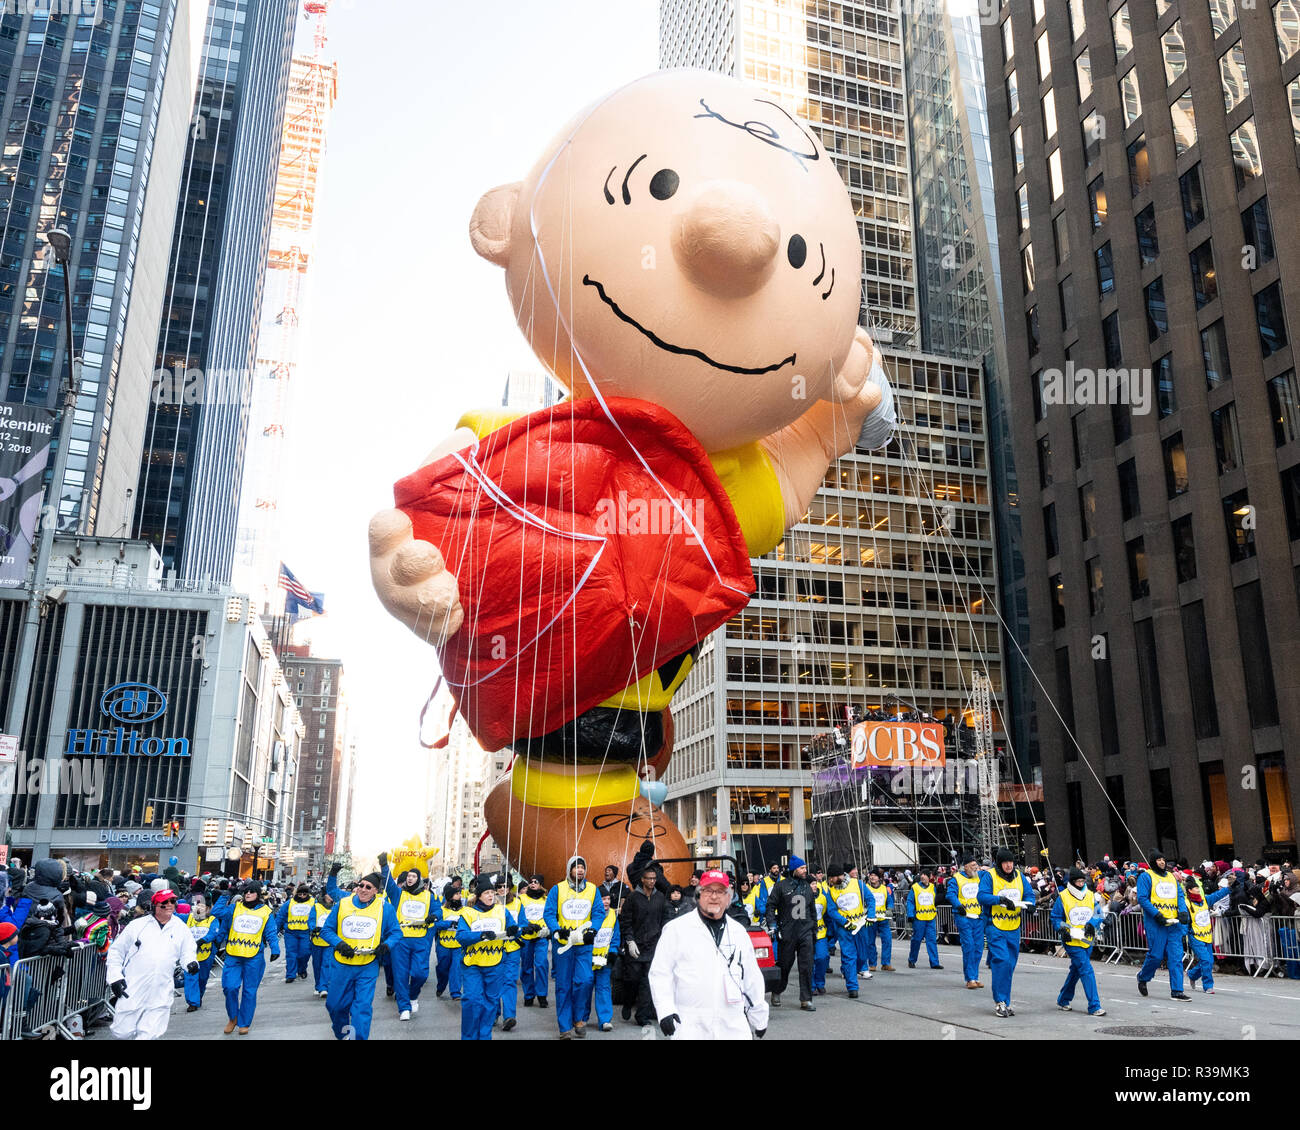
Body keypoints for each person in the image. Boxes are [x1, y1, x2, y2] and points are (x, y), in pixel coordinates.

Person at [649, 869, 769, 1040]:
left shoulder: (738, 932)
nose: (714, 897)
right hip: (691, 1023)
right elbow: (660, 973)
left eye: (720, 891)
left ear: (728, 898)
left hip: (732, 1024)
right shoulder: (676, 930)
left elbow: (751, 976)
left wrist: (758, 1016)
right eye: (708, 891)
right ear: (698, 896)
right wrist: (665, 1010)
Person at [320, 870, 403, 1040]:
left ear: (376, 891)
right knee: (335, 1006)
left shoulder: (384, 908)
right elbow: (326, 930)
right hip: (341, 964)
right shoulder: (343, 904)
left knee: (362, 1008)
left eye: (368, 887)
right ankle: (343, 1034)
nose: (363, 889)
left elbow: (396, 932)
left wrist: (386, 945)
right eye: (361, 885)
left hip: (367, 966)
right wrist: (339, 944)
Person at [105, 890, 199, 1040]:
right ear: (154, 905)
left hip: (161, 987)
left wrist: (190, 963)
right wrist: (115, 977)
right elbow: (116, 952)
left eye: (172, 902)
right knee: (122, 1031)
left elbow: (188, 951)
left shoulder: (180, 927)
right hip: (134, 985)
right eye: (164, 903)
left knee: (150, 1033)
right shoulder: (137, 926)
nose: (169, 905)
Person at [543, 854, 601, 1039]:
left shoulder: (592, 889)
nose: (580, 870)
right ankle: (564, 1026)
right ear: (569, 870)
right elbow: (549, 913)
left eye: (582, 867)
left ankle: (579, 1018)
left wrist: (594, 929)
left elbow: (598, 912)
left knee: (584, 981)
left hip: (583, 944)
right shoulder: (557, 889)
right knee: (563, 986)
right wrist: (556, 930)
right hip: (564, 945)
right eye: (576, 867)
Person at [213, 880, 281, 1034]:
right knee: (230, 987)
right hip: (233, 955)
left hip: (254, 957)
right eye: (246, 891)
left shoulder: (265, 911)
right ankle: (233, 1018)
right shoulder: (235, 908)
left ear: (257, 893)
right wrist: (227, 894)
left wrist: (275, 949)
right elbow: (216, 912)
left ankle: (244, 1022)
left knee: (249, 991)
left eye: (251, 891)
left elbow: (271, 931)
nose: (248, 894)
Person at [456, 872, 518, 1041]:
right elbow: (460, 936)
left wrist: (514, 931)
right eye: (486, 893)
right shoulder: (467, 913)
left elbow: (513, 928)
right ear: (479, 896)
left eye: (492, 892)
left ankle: (484, 1036)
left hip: (495, 964)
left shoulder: (501, 910)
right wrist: (481, 935)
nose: (491, 895)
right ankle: (468, 1037)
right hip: (472, 965)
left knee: (490, 1003)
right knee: (472, 1001)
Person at [977, 848, 1034, 1017]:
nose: (1009, 865)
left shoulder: (1019, 876)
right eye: (1005, 862)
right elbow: (981, 896)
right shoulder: (990, 876)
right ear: (999, 863)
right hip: (995, 925)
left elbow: (1029, 894)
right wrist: (999, 899)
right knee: (1001, 960)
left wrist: (1031, 905)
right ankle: (1000, 1001)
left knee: (1009, 965)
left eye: (1011, 862)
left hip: (1013, 926)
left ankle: (1006, 1002)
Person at [382, 863, 439, 1021]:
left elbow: (438, 910)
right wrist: (384, 866)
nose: (410, 878)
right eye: (408, 876)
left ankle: (413, 995)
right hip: (401, 940)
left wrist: (434, 916)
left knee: (420, 974)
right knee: (400, 975)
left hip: (420, 939)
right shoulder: (399, 894)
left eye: (414, 876)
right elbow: (389, 884)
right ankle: (404, 1007)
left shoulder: (428, 895)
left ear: (419, 879)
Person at [1050, 867, 1107, 1017]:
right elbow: (1055, 917)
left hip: (1087, 939)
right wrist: (1062, 928)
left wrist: (1091, 924)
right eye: (1078, 881)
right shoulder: (1062, 896)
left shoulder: (1090, 895)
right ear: (1072, 882)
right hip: (1071, 940)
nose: (1081, 884)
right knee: (1086, 969)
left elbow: (1098, 913)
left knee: (1076, 970)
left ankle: (1063, 999)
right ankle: (1094, 1005)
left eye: (1083, 881)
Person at [620, 859, 671, 1026]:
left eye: (654, 879)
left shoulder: (660, 897)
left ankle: (642, 1016)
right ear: (642, 879)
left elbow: (665, 919)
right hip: (636, 946)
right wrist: (629, 940)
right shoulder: (633, 898)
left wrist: (664, 939)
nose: (652, 881)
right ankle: (628, 1002)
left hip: (653, 946)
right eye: (649, 878)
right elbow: (626, 921)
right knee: (632, 980)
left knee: (647, 982)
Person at [764, 855, 819, 1010]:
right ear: (794, 869)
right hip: (787, 932)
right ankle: (777, 990)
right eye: (802, 868)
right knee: (785, 965)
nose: (805, 870)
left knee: (807, 966)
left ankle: (806, 999)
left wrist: (814, 929)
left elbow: (812, 910)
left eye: (805, 868)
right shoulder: (781, 886)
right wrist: (773, 925)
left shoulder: (807, 887)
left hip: (805, 931)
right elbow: (770, 906)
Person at [1135, 851, 1191, 1001]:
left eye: (1163, 859)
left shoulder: (1172, 876)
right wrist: (1156, 914)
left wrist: (1183, 911)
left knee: (1176, 957)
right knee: (1156, 955)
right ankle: (1143, 977)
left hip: (1173, 924)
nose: (1161, 862)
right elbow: (1142, 898)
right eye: (1158, 860)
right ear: (1153, 862)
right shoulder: (1146, 876)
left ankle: (1177, 991)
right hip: (1156, 923)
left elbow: (1180, 895)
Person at [823, 862, 872, 1000]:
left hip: (860, 925)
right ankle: (852, 986)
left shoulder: (858, 884)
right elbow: (832, 911)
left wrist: (871, 915)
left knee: (862, 955)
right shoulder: (830, 891)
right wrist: (845, 922)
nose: (830, 881)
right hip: (844, 928)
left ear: (838, 876)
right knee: (849, 955)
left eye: (831, 878)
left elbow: (870, 899)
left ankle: (851, 970)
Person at [1185, 865, 1230, 994]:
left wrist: (1230, 888)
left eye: (1198, 889)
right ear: (1189, 890)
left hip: (1207, 936)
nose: (1198, 891)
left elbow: (1218, 894)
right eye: (1195, 889)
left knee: (1209, 962)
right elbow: (1184, 921)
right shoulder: (1186, 904)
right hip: (1195, 936)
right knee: (1205, 960)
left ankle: (1192, 975)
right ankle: (1208, 986)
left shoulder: (1204, 900)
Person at [947, 853, 986, 989]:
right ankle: (970, 978)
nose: (976, 868)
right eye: (973, 865)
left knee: (978, 947)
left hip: (978, 917)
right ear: (965, 867)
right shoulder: (956, 879)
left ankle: (975, 976)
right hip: (964, 917)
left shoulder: (980, 877)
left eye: (976, 865)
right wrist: (958, 906)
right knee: (969, 946)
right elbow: (951, 894)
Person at [584, 888, 621, 1032]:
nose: (606, 902)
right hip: (588, 959)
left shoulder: (613, 915)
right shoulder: (588, 914)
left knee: (604, 988)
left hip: (604, 960)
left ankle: (605, 1020)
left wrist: (612, 952)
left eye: (608, 899)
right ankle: (582, 1018)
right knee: (585, 988)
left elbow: (615, 936)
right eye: (602, 899)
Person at [516, 874, 550, 1007]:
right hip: (526, 937)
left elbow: (550, 915)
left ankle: (542, 995)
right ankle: (529, 994)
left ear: (541, 884)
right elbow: (518, 915)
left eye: (536, 882)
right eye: (531, 881)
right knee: (526, 966)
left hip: (541, 936)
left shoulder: (546, 899)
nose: (533, 884)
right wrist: (526, 926)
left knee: (541, 964)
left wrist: (547, 929)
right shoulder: (521, 899)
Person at [182, 892, 219, 1011]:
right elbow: (175, 916)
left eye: (202, 906)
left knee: (202, 979)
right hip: (190, 954)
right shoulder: (189, 918)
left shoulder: (213, 920)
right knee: (190, 978)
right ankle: (192, 1002)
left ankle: (198, 997)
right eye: (197, 905)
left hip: (206, 954)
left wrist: (202, 941)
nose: (199, 907)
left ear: (208, 908)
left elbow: (213, 933)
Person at [276, 884, 318, 985]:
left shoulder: (314, 903)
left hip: (306, 932)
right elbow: (280, 916)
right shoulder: (289, 903)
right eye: (300, 894)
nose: (302, 896)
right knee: (291, 954)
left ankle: (302, 969)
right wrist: (275, 930)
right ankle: (290, 974)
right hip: (291, 932)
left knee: (305, 953)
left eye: (304, 894)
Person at [496, 875, 523, 1031]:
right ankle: (493, 1013)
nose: (502, 889)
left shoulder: (518, 904)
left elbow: (523, 924)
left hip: (512, 949)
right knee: (494, 982)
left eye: (505, 886)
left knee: (509, 981)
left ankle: (509, 1016)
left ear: (510, 887)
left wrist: (518, 931)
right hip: (494, 949)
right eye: (499, 886)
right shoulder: (491, 904)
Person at [906, 866, 943, 970]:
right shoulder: (915, 887)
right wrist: (910, 915)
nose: (923, 877)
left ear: (929, 877)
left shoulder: (933, 887)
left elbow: (936, 899)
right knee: (916, 940)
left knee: (932, 940)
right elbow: (910, 901)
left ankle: (934, 962)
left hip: (931, 918)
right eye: (922, 875)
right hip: (919, 918)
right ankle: (912, 960)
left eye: (925, 875)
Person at [433, 882, 464, 1000]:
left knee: (456, 968)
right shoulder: (442, 910)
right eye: (457, 894)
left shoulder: (464, 910)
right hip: (443, 945)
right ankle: (441, 986)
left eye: (460, 893)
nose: (459, 896)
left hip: (458, 945)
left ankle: (455, 993)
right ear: (450, 897)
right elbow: (435, 924)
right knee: (442, 968)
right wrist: (449, 924)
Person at [863, 867, 894, 971]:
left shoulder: (884, 889)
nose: (872, 877)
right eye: (871, 875)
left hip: (883, 919)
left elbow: (889, 900)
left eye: (875, 875)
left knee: (887, 940)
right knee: (870, 942)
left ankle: (886, 963)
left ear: (879, 878)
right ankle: (872, 964)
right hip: (871, 920)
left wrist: (889, 908)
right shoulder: (865, 888)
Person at [309, 887, 335, 997]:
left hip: (329, 942)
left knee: (327, 963)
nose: (331, 897)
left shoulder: (336, 907)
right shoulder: (316, 906)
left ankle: (324, 987)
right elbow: (311, 919)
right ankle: (318, 985)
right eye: (329, 894)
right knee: (317, 964)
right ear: (325, 895)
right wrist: (313, 928)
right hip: (317, 940)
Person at [810, 873, 829, 995]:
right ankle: (811, 986)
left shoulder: (822, 898)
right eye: (812, 883)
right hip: (807, 934)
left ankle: (820, 982)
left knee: (822, 957)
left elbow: (827, 914)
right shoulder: (803, 898)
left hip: (821, 933)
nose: (815, 885)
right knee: (809, 961)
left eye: (815, 883)